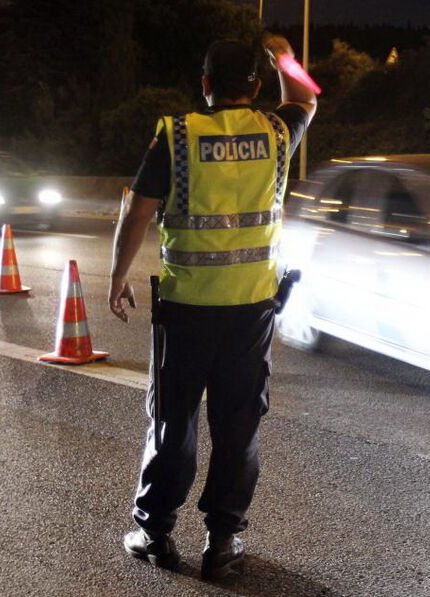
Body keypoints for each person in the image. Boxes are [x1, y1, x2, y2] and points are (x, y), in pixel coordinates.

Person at [108, 34, 316, 580]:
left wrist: (117, 275)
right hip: (251, 309)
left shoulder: (178, 135)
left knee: (173, 422)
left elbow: (138, 213)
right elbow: (306, 97)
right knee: (238, 427)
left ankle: (154, 533)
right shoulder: (277, 132)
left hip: (186, 308)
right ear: (256, 84)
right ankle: (223, 542)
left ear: (205, 85)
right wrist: (285, 56)